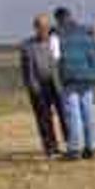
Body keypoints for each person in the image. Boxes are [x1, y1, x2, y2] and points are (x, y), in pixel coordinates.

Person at [54, 7, 95, 160]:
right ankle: (91, 146)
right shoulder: (87, 32)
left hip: (70, 78)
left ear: (58, 19)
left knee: (73, 113)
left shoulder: (57, 35)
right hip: (89, 77)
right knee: (89, 111)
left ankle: (75, 148)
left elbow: (55, 58)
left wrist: (58, 80)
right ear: (71, 16)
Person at [20, 13, 68, 158]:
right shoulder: (27, 46)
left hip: (58, 85)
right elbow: (26, 70)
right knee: (44, 118)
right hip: (39, 86)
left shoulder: (57, 42)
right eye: (40, 27)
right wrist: (32, 86)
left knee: (65, 115)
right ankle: (51, 147)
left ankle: (72, 144)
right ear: (35, 28)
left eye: (46, 27)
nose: (44, 30)